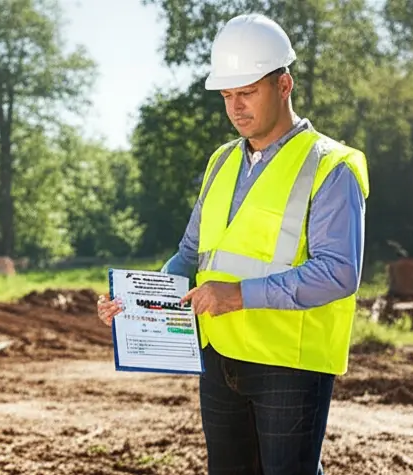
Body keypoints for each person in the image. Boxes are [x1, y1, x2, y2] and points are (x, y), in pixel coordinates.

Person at [97, 13, 369, 475]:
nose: (236, 107)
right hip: (218, 356)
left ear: (284, 85)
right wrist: (140, 300)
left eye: (247, 92)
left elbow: (338, 272)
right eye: (227, 95)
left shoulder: (331, 166)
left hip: (290, 364)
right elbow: (190, 254)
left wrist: (238, 295)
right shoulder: (222, 161)